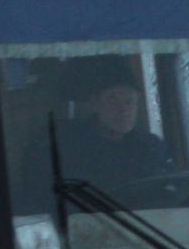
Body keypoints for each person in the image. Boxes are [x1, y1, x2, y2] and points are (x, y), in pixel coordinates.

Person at [58, 59, 179, 195]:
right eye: (112, 100)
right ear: (94, 103)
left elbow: (172, 190)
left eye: (129, 101)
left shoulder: (151, 146)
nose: (123, 110)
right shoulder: (71, 148)